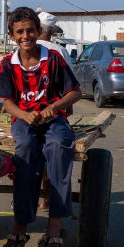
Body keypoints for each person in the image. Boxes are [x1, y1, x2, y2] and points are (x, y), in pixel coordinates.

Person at [0, 6, 82, 247]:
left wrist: (53, 107)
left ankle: (54, 226)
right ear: (12, 35)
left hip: (54, 120)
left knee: (58, 147)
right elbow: (7, 103)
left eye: (30, 30)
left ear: (38, 31)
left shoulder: (54, 59)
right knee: (26, 150)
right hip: (24, 121)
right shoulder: (7, 64)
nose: (26, 36)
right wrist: (24, 115)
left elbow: (75, 93)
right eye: (19, 32)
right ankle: (20, 225)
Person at [36, 12, 75, 209]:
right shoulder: (60, 51)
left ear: (38, 29)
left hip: (31, 112)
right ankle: (47, 198)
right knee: (54, 147)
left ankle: (31, 195)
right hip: (55, 110)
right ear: (51, 31)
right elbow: (70, 85)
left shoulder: (26, 49)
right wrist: (68, 109)